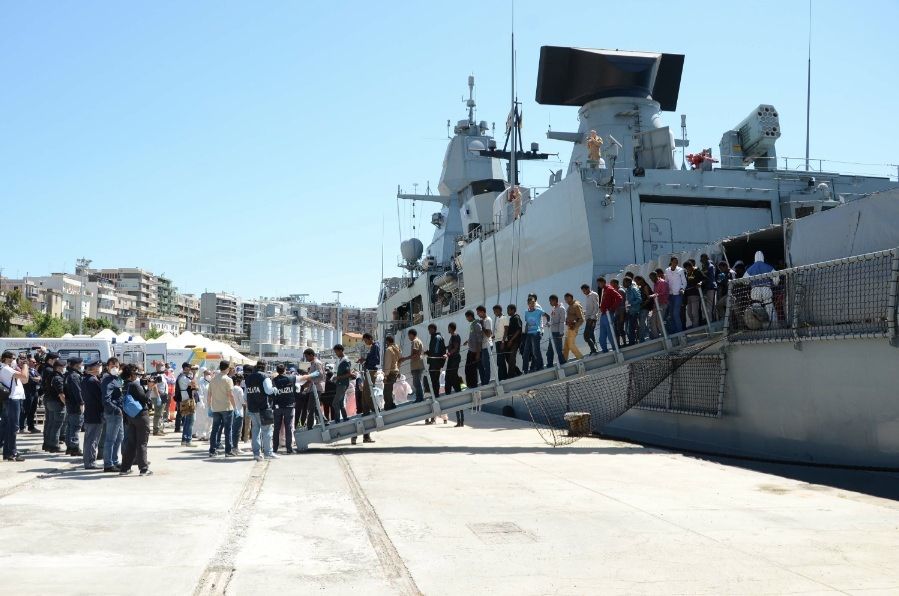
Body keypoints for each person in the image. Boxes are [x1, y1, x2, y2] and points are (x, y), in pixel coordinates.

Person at [119, 364, 152, 476]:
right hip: (141, 415)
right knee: (142, 442)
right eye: (136, 373)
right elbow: (145, 399)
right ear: (132, 374)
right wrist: (150, 388)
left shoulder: (125, 385)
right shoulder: (134, 385)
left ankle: (125, 468)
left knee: (131, 443)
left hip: (130, 416)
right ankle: (143, 468)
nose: (138, 375)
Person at [244, 360, 278, 461]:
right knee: (267, 431)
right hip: (263, 408)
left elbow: (245, 395)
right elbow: (268, 390)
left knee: (255, 431)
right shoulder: (264, 377)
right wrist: (274, 390)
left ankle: (256, 453)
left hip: (252, 408)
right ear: (265, 366)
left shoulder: (248, 378)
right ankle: (268, 453)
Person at [0, 350, 29, 461]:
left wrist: (20, 366)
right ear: (6, 359)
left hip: (12, 399)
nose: (14, 360)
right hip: (12, 399)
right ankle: (12, 452)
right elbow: (24, 376)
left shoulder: (7, 368)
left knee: (8, 426)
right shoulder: (6, 369)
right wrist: (25, 364)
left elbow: (24, 381)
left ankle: (8, 453)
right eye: (13, 358)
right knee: (13, 427)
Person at [207, 361, 236, 458]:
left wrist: (209, 406)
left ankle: (212, 450)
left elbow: (209, 394)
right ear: (227, 368)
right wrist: (235, 407)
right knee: (228, 430)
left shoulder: (213, 379)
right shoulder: (228, 380)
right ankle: (228, 451)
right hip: (226, 407)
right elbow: (230, 395)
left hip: (215, 407)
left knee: (215, 429)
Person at [100, 358, 124, 472]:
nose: (114, 368)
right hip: (113, 413)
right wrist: (116, 409)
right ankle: (108, 464)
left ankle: (114, 461)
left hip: (118, 413)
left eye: (116, 366)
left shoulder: (116, 379)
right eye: (112, 366)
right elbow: (106, 399)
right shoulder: (107, 380)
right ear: (108, 367)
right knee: (110, 439)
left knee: (119, 438)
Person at [80, 359, 104, 470]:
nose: (100, 368)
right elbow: (101, 397)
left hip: (90, 412)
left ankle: (88, 461)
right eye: (99, 366)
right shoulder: (93, 381)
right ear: (94, 368)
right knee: (93, 439)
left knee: (89, 438)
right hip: (95, 413)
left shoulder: (86, 380)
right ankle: (90, 462)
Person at [272, 363, 299, 454]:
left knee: (276, 428)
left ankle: (274, 448)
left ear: (277, 371)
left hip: (277, 406)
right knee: (288, 427)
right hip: (289, 406)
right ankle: (289, 448)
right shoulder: (291, 378)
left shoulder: (274, 380)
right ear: (285, 370)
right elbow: (302, 379)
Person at [299, 349, 328, 432]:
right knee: (315, 407)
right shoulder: (313, 364)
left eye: (307, 356)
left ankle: (309, 426)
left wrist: (310, 379)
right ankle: (324, 420)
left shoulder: (317, 363)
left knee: (310, 407)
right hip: (313, 388)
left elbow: (320, 375)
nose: (306, 358)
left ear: (311, 355)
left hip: (316, 388)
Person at [42, 357, 66, 454]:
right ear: (59, 367)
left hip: (49, 402)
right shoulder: (58, 377)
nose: (64, 368)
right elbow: (61, 393)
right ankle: (54, 445)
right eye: (63, 367)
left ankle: (47, 444)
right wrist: (66, 403)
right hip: (56, 403)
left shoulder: (50, 375)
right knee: (56, 425)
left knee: (51, 424)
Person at [424, 324, 446, 425]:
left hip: (435, 363)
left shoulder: (436, 337)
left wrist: (429, 354)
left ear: (433, 329)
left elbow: (436, 352)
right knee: (433, 381)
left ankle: (435, 394)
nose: (429, 331)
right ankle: (434, 393)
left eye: (430, 329)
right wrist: (428, 352)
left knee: (434, 381)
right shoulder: (435, 337)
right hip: (435, 363)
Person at [63, 356, 85, 457]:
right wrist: (81, 403)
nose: (82, 366)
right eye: (81, 364)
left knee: (70, 427)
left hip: (70, 404)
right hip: (75, 404)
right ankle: (74, 448)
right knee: (75, 427)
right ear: (76, 365)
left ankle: (70, 447)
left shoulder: (67, 375)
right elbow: (78, 391)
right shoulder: (74, 376)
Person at [356, 333, 380, 421]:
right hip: (369, 371)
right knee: (364, 392)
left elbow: (376, 360)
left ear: (370, 338)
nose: (366, 343)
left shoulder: (375, 346)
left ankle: (375, 409)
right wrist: (364, 360)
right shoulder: (373, 346)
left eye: (366, 341)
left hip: (372, 371)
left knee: (367, 392)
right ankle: (365, 411)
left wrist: (366, 361)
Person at [443, 322, 464, 426]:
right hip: (452, 358)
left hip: (454, 358)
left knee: (451, 374)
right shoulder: (453, 336)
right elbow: (452, 346)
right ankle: (460, 422)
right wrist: (446, 348)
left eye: (448, 328)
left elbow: (455, 348)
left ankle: (461, 422)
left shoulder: (455, 336)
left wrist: (448, 353)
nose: (448, 329)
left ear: (450, 328)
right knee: (450, 376)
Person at [400, 329, 425, 402]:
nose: (408, 337)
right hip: (418, 365)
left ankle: (419, 398)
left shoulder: (415, 341)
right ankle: (420, 397)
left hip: (416, 365)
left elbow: (414, 354)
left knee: (416, 382)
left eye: (409, 336)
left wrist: (404, 358)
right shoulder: (418, 341)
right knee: (417, 382)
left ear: (411, 334)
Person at [174, 363, 196, 447]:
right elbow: (194, 385)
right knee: (190, 421)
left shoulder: (181, 377)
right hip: (187, 400)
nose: (191, 369)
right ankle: (188, 440)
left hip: (185, 400)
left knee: (187, 421)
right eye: (189, 368)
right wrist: (194, 374)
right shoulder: (183, 378)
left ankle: (184, 440)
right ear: (186, 368)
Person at [597, 277, 622, 352]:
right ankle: (604, 350)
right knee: (602, 335)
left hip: (608, 314)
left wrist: (612, 308)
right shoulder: (604, 290)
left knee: (610, 333)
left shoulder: (609, 289)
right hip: (603, 314)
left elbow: (619, 298)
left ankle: (615, 349)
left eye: (599, 283)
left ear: (603, 282)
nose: (598, 285)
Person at [522, 296, 545, 373]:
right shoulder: (526, 312)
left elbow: (544, 317)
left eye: (533, 302)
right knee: (526, 352)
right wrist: (525, 333)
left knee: (536, 351)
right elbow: (527, 323)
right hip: (529, 333)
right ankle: (525, 369)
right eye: (530, 303)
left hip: (536, 332)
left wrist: (543, 327)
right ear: (528, 303)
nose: (532, 304)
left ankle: (539, 366)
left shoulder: (538, 309)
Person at [664, 257, 687, 333]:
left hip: (678, 294)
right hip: (670, 295)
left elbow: (684, 282)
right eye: (674, 262)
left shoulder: (680, 270)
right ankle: (674, 332)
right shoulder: (667, 270)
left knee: (675, 313)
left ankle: (680, 332)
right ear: (671, 262)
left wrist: (682, 289)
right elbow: (666, 282)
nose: (675, 263)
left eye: (677, 262)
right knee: (671, 314)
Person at [332, 345, 354, 423]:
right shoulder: (341, 360)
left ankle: (337, 419)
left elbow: (349, 374)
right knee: (340, 402)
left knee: (335, 402)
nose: (336, 354)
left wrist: (337, 378)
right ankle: (345, 417)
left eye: (336, 352)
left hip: (342, 384)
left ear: (341, 350)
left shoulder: (345, 360)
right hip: (341, 383)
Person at [683, 260, 706, 329]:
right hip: (688, 295)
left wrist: (700, 283)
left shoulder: (697, 271)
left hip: (695, 294)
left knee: (694, 312)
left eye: (688, 267)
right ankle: (694, 324)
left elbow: (705, 279)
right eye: (686, 268)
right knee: (689, 312)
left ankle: (696, 326)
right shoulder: (687, 274)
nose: (687, 269)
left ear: (691, 266)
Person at [463, 310, 482, 389]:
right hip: (471, 350)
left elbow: (479, 339)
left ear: (470, 316)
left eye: (467, 317)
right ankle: (470, 384)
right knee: (467, 368)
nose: (467, 319)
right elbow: (473, 336)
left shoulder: (477, 325)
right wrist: (468, 341)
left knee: (473, 369)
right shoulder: (472, 325)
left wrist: (478, 353)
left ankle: (473, 385)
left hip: (475, 351)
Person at [546, 294, 567, 367]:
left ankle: (562, 363)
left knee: (558, 349)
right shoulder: (554, 308)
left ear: (555, 300)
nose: (550, 303)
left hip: (557, 332)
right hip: (553, 332)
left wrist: (561, 333)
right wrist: (549, 323)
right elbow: (553, 320)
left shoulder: (561, 309)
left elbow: (562, 322)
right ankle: (549, 364)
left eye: (550, 301)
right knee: (550, 350)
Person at [562, 293, 584, 360]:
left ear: (571, 298)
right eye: (565, 299)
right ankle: (564, 360)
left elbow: (581, 319)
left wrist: (575, 326)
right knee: (566, 346)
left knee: (571, 345)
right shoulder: (570, 306)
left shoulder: (576, 305)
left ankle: (581, 358)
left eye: (567, 299)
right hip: (569, 328)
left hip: (573, 328)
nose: (566, 301)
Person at [382, 335, 401, 411]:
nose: (386, 343)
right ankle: (391, 404)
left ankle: (389, 406)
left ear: (388, 341)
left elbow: (387, 363)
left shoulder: (389, 350)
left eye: (386, 342)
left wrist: (385, 376)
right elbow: (399, 360)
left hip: (390, 372)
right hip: (395, 371)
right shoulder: (397, 348)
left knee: (386, 391)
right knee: (389, 390)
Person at [649, 270, 669, 339]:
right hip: (656, 305)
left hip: (662, 304)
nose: (651, 280)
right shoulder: (655, 284)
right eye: (650, 278)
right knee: (653, 321)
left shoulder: (663, 282)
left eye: (652, 278)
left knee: (659, 322)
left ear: (656, 276)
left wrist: (655, 295)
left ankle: (665, 337)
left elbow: (664, 293)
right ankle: (656, 338)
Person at [504, 304, 523, 377]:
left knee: (511, 358)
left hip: (515, 341)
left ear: (513, 310)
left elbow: (519, 330)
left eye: (508, 310)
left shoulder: (516, 318)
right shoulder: (511, 319)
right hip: (510, 341)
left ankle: (511, 375)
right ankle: (517, 372)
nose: (507, 311)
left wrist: (511, 340)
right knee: (508, 358)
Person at [623, 277, 643, 345]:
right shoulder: (628, 289)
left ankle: (633, 342)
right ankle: (632, 341)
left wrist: (631, 304)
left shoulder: (634, 288)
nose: (623, 284)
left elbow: (639, 299)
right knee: (629, 328)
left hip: (634, 311)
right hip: (630, 311)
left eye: (624, 282)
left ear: (628, 282)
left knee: (631, 328)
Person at [581, 284, 600, 354]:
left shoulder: (593, 295)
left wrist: (592, 317)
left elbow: (596, 307)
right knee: (591, 334)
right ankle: (594, 350)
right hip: (589, 318)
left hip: (592, 319)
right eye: (583, 291)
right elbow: (591, 308)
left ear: (588, 288)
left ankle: (594, 349)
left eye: (584, 290)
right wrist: (584, 312)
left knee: (586, 335)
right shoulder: (588, 296)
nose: (584, 292)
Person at [151, 362, 169, 436]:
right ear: (157, 366)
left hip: (163, 396)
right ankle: (156, 430)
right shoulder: (155, 375)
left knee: (161, 413)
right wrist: (158, 396)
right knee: (158, 414)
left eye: (163, 365)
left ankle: (160, 428)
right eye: (161, 365)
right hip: (158, 396)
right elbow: (154, 386)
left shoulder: (162, 374)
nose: (162, 366)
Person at [476, 306, 493, 384]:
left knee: (486, 364)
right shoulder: (482, 321)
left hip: (487, 345)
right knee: (483, 364)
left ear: (483, 312)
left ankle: (486, 381)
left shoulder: (488, 320)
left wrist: (482, 326)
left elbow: (489, 334)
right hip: (483, 346)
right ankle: (484, 381)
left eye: (478, 312)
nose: (477, 314)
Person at [492, 305, 508, 380]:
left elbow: (506, 330)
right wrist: (494, 336)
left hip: (501, 342)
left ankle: (503, 377)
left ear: (499, 310)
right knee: (499, 361)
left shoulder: (504, 318)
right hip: (497, 341)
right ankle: (502, 376)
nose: (494, 313)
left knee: (501, 360)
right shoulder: (498, 319)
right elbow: (499, 331)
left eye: (495, 311)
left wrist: (503, 341)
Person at [700, 254, 717, 322]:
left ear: (707, 258)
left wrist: (706, 288)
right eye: (702, 259)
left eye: (704, 259)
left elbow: (711, 279)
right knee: (703, 306)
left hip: (710, 289)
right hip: (704, 290)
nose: (702, 261)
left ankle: (710, 321)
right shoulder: (703, 267)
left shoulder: (711, 267)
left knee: (710, 306)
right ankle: (706, 320)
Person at [230, 373, 245, 451]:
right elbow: (243, 401)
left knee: (231, 430)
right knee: (237, 431)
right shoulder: (239, 389)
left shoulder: (230, 388)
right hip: (239, 411)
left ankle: (231, 446)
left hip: (230, 411)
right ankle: (235, 447)